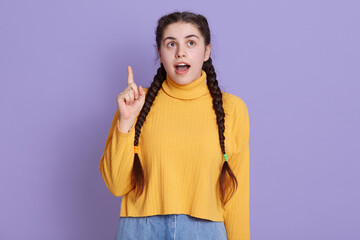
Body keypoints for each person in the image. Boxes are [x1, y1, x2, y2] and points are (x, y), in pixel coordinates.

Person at [99, 11, 250, 240]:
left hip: (205, 231)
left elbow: (235, 196)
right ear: (160, 53)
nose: (181, 52)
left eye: (191, 42)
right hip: (140, 230)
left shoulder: (233, 109)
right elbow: (116, 185)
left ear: (206, 51)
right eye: (171, 44)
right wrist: (126, 123)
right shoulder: (137, 103)